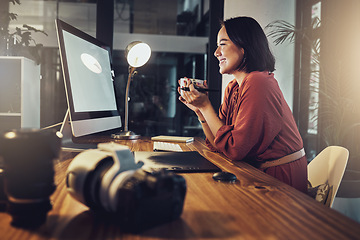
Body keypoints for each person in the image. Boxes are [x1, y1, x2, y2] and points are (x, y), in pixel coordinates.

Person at [177, 16, 307, 193]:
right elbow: (218, 143)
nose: (216, 52)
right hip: (258, 172)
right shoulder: (234, 87)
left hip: (279, 178)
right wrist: (200, 110)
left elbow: (235, 149)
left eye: (222, 44)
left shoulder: (258, 82)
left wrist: (207, 107)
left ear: (244, 47)